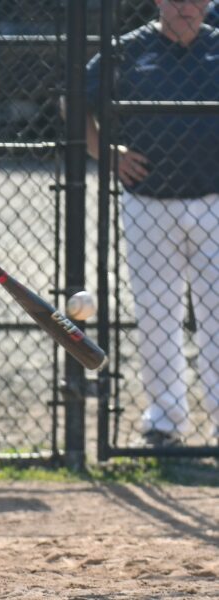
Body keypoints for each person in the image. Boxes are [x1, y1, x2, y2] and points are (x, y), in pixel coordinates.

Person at [84, 0, 219, 447]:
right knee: (157, 313)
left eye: (197, 0)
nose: (188, 9)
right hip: (149, 201)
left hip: (214, 200)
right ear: (159, 1)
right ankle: (165, 422)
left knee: (217, 315)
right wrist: (108, 152)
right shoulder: (128, 50)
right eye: (178, 0)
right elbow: (74, 103)